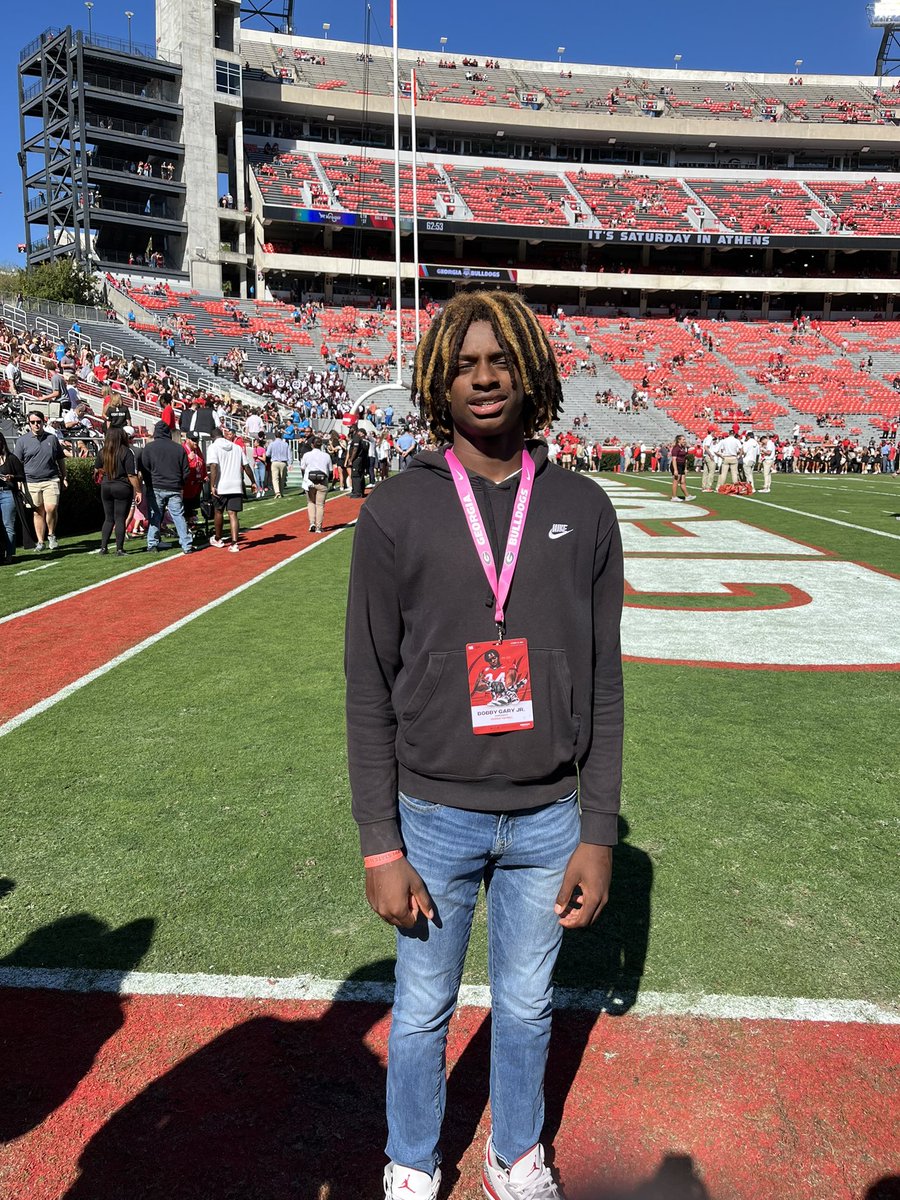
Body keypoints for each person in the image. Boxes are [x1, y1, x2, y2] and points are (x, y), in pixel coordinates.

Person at [345, 291, 624, 1200]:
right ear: (437, 379)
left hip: (549, 816)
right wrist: (380, 842)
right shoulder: (393, 510)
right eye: (463, 364)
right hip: (431, 816)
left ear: (530, 371)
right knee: (423, 1009)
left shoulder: (582, 506)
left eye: (499, 359)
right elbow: (366, 687)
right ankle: (413, 1163)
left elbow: (607, 681)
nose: (483, 377)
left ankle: (515, 1156)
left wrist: (599, 829)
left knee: (530, 1007)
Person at [139, 420, 193, 554]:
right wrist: (180, 483)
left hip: (156, 486)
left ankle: (152, 543)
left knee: (155, 516)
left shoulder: (149, 448)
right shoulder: (178, 448)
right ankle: (186, 544)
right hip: (174, 486)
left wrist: (149, 484)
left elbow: (144, 468)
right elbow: (186, 470)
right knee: (178, 516)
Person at [14, 411, 66, 552]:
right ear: (29, 423)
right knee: (38, 511)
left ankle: (51, 535)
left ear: (44, 421)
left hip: (51, 479)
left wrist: (64, 476)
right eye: (33, 422)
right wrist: (19, 480)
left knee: (51, 508)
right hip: (31, 481)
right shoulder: (22, 441)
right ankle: (40, 541)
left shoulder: (52, 438)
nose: (36, 424)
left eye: (39, 421)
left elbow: (60, 459)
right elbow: (17, 462)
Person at [207, 427, 255, 552]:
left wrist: (212, 485)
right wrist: (254, 482)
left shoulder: (213, 447)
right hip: (236, 484)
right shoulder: (237, 447)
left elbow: (213, 466)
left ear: (212, 438)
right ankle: (234, 543)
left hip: (221, 484)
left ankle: (218, 538)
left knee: (218, 511)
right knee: (233, 514)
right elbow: (246, 466)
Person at [94, 427, 141, 556]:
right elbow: (132, 475)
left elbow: (97, 470)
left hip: (106, 485)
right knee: (120, 518)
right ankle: (119, 549)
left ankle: (103, 547)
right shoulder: (126, 452)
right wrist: (138, 491)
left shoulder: (102, 452)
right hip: (122, 486)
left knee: (108, 518)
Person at [0, 431, 27, 565]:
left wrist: (12, 477)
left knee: (8, 525)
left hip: (7, 493)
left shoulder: (11, 458)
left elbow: (22, 476)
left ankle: (9, 555)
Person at [300, 436, 333, 534]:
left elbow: (302, 467)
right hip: (322, 482)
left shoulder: (306, 455)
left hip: (310, 481)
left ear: (312, 445)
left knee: (311, 502)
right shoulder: (326, 455)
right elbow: (330, 469)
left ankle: (312, 523)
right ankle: (319, 526)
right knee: (320, 505)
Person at [266, 430, 291, 499]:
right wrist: (289, 464)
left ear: (275, 436)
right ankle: (281, 492)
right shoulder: (285, 444)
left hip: (275, 462)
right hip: (283, 462)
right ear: (281, 436)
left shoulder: (272, 444)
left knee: (275, 478)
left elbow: (267, 454)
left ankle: (277, 492)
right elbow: (289, 455)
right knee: (282, 478)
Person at [346, 428, 369, 499]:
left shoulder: (357, 438)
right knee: (360, 475)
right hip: (361, 459)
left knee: (356, 475)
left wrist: (351, 459)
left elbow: (355, 450)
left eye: (351, 429)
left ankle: (357, 492)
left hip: (357, 459)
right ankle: (358, 491)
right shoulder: (364, 441)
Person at [669, 434, 692, 502]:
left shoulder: (682, 447)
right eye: (683, 439)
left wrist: (685, 468)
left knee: (683, 481)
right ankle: (674, 497)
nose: (684, 441)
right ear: (679, 440)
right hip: (676, 465)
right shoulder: (676, 448)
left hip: (682, 466)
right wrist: (675, 470)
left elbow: (684, 459)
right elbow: (674, 459)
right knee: (676, 481)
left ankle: (687, 496)